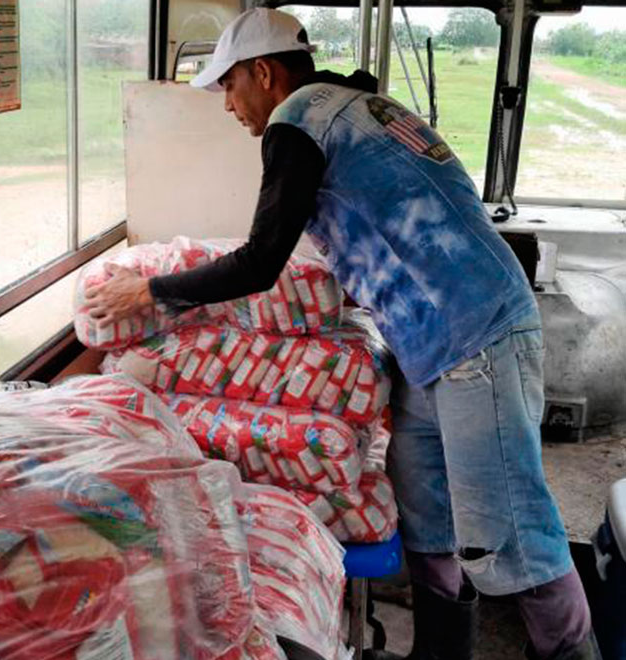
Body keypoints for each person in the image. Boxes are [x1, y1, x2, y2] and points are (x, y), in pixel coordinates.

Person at [83, 8, 599, 660]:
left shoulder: (297, 122)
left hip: (475, 334)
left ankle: (576, 652)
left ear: (262, 74)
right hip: (430, 343)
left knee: (511, 530)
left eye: (229, 89)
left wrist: (150, 290)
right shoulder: (356, 106)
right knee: (428, 516)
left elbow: (259, 260)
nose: (228, 107)